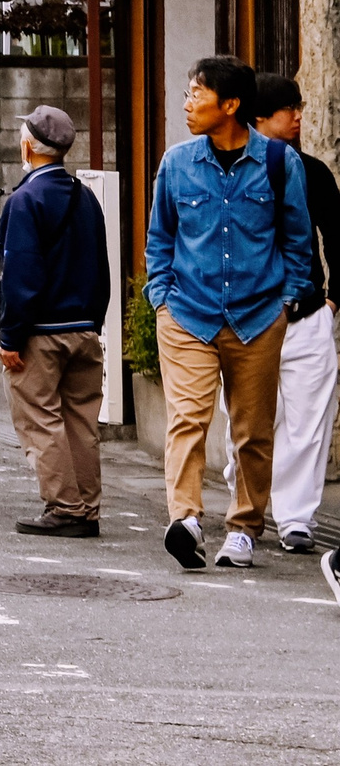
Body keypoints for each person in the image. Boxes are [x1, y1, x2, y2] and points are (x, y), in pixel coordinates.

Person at [148, 55, 316, 570]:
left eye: (197, 93)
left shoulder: (278, 162)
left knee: (252, 431)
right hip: (188, 314)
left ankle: (243, 528)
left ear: (231, 105)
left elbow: (298, 240)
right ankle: (187, 519)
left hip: (259, 316)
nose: (187, 102)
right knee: (188, 419)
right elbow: (161, 237)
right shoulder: (176, 162)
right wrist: (161, 297)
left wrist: (288, 299)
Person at [216, 73, 338, 557]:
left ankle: (297, 519)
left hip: (308, 314)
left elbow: (338, 235)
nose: (299, 118)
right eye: (290, 110)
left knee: (309, 420)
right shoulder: (227, 171)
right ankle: (247, 505)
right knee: (248, 420)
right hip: (248, 317)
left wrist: (332, 300)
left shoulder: (313, 172)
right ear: (259, 117)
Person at [0, 105, 110, 539]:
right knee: (82, 421)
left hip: (40, 333)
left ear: (28, 146)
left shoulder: (25, 200)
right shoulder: (86, 196)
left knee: (40, 420)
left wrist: (11, 335)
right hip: (84, 326)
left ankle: (65, 507)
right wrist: (94, 320)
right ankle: (86, 506)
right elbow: (102, 265)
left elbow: (22, 273)